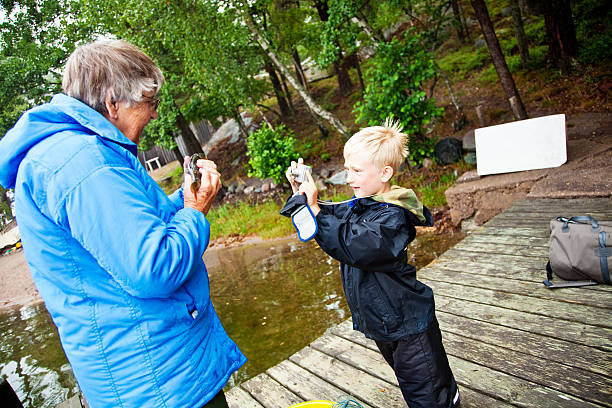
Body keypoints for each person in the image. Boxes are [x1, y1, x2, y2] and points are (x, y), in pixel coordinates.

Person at [0, 40, 245, 408]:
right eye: (150, 103)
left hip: (150, 372)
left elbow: (136, 227)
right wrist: (195, 211)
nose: (155, 115)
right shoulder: (83, 162)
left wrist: (184, 197)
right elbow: (154, 267)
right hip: (159, 382)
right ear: (113, 102)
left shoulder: (78, 152)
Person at [285, 120, 460, 408]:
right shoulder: (360, 205)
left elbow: (354, 245)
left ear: (385, 172)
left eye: (356, 171)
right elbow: (326, 231)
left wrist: (316, 209)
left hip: (407, 322)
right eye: (347, 169)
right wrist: (301, 196)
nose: (349, 177)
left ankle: (448, 399)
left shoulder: (393, 216)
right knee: (412, 381)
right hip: (384, 321)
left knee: (426, 391)